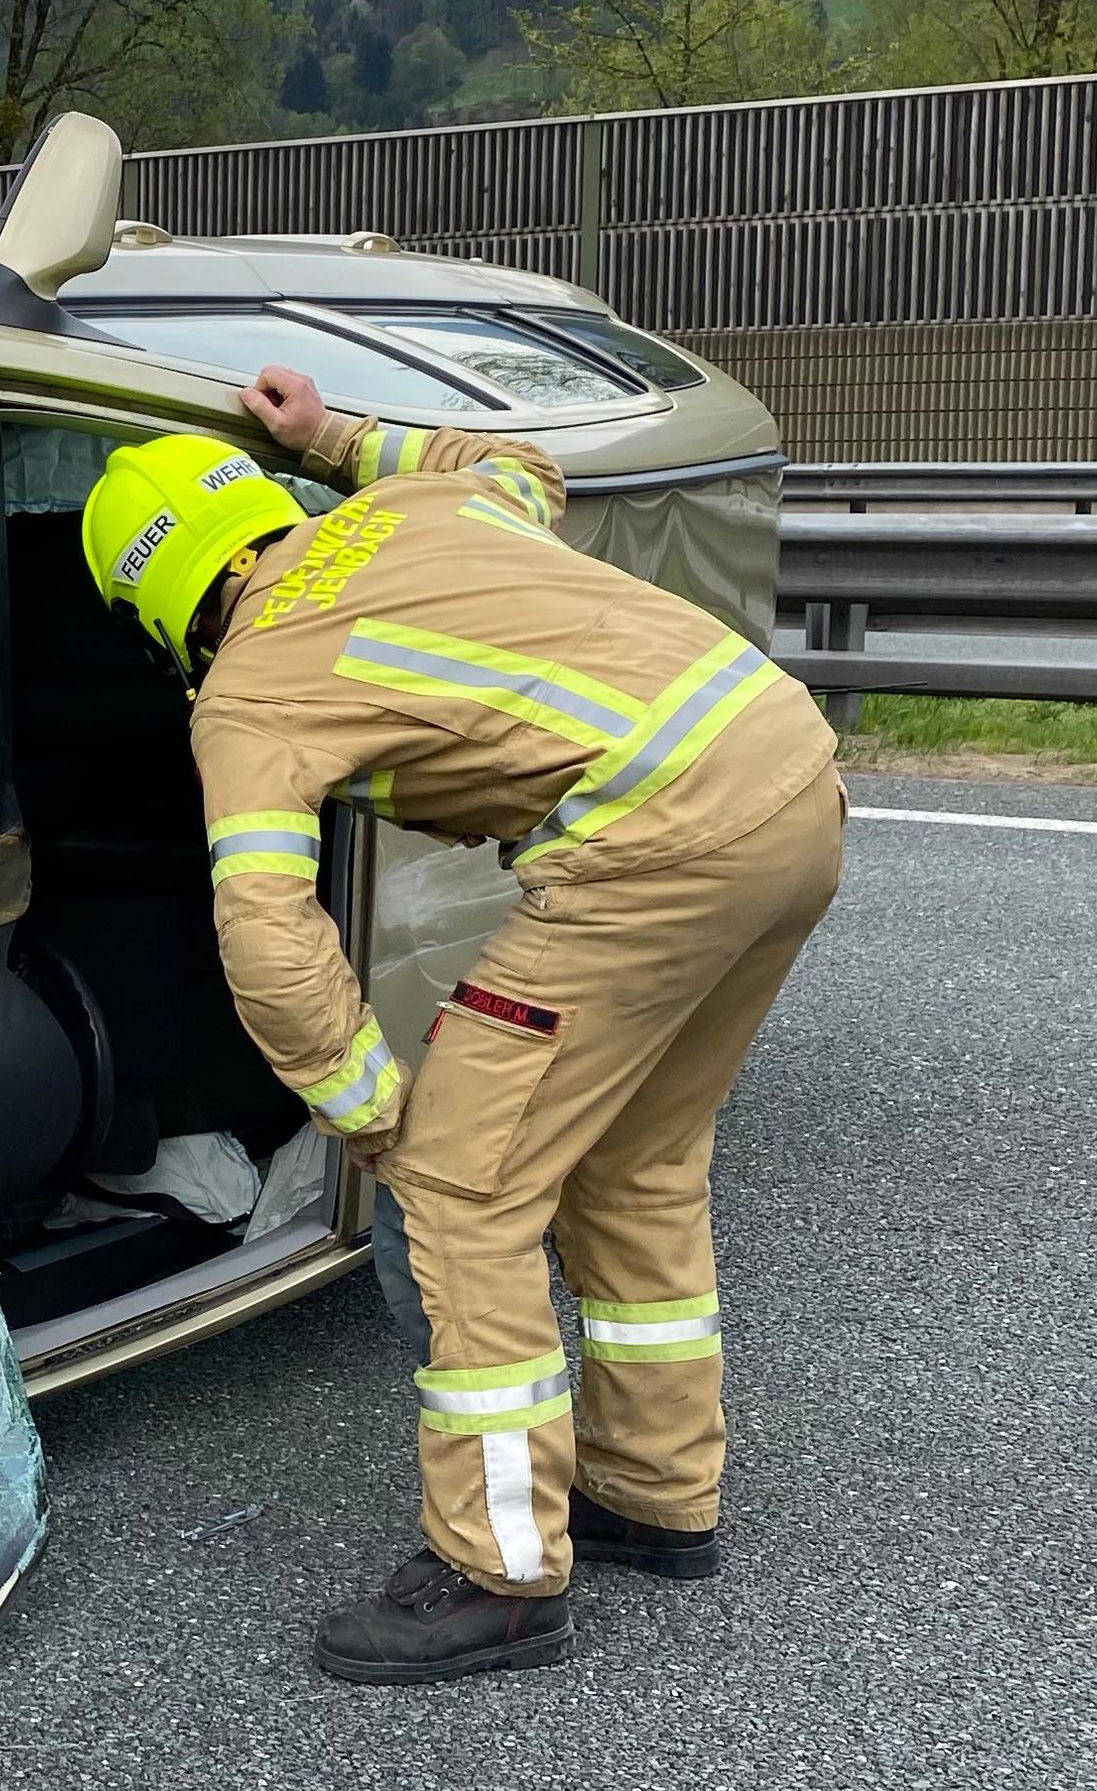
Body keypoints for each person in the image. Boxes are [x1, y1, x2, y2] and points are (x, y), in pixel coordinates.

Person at [78, 364, 844, 1687]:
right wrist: (334, 437)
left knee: (458, 1187)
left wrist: (370, 1111)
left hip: (648, 845)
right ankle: (652, 1490)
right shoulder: (424, 510)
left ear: (156, 607)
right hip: (789, 775)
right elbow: (527, 468)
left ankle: (496, 1571)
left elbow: (266, 939)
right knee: (636, 1159)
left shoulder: (248, 691)